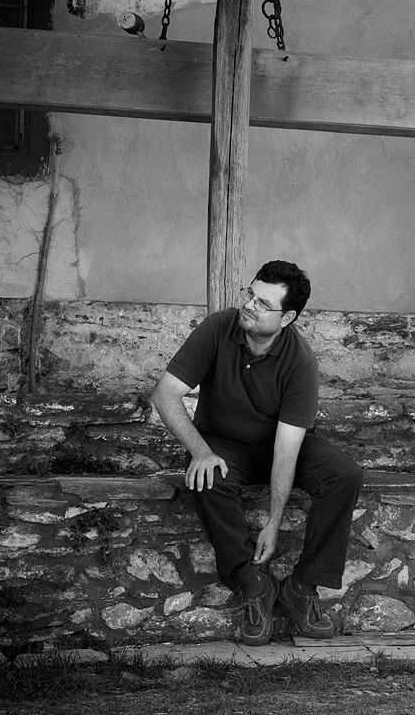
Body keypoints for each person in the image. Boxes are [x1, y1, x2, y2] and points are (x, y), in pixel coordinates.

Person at [151, 260, 363, 646]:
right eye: (250, 293)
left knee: (343, 474)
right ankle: (254, 585)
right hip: (224, 443)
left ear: (287, 318)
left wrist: (273, 520)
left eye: (264, 303)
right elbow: (165, 394)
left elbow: (286, 448)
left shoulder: (301, 360)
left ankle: (303, 587)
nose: (249, 305)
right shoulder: (219, 327)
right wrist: (200, 451)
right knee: (206, 476)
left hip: (278, 444)